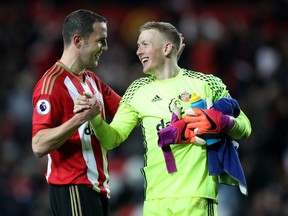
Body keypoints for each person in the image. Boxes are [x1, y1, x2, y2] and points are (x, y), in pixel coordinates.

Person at [75, 21, 252, 216]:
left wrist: (224, 122)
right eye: (138, 45)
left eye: (145, 44)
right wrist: (96, 118)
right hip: (154, 201)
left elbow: (245, 127)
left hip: (197, 197)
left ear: (167, 48)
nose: (138, 51)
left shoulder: (206, 83)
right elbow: (111, 139)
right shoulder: (137, 90)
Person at [31, 9, 121, 216]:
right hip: (73, 187)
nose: (105, 48)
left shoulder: (91, 79)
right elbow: (38, 144)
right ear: (78, 41)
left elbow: (128, 110)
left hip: (97, 188)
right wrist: (79, 118)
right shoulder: (51, 85)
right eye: (101, 40)